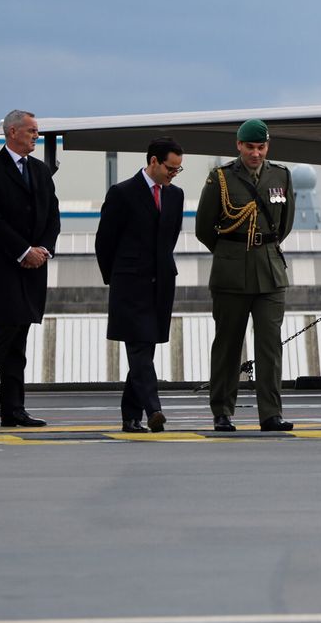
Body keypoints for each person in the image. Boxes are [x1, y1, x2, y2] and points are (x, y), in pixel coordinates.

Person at [195, 120, 296, 432]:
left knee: (270, 345)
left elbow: (285, 224)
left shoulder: (281, 175)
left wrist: (261, 248)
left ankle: (270, 414)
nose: (255, 153)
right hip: (231, 272)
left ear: (267, 147)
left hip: (270, 272)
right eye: (250, 147)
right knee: (228, 344)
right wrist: (231, 252)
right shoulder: (221, 178)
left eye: (261, 147)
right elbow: (204, 228)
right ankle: (222, 412)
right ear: (238, 146)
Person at [0, 110, 61, 428]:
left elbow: (53, 216)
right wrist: (22, 251)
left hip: (34, 265)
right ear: (12, 132)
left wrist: (43, 250)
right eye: (31, 131)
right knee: (5, 329)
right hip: (3, 266)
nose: (36, 136)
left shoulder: (40, 171)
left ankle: (13, 408)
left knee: (18, 337)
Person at [96, 138, 185, 433]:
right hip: (130, 283)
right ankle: (153, 409)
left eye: (178, 169)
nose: (173, 173)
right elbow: (105, 241)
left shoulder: (176, 196)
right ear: (153, 161)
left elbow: (170, 237)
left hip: (160, 283)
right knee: (138, 347)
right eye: (170, 168)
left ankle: (130, 416)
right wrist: (118, 276)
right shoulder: (122, 193)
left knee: (146, 348)